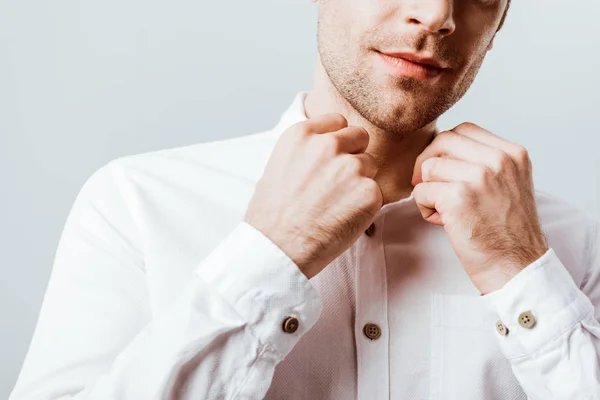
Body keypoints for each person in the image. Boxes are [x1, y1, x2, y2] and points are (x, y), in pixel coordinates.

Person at [10, 0, 600, 399]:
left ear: (500, 24)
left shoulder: (564, 244)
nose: (437, 13)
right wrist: (270, 256)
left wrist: (520, 274)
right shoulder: (137, 204)